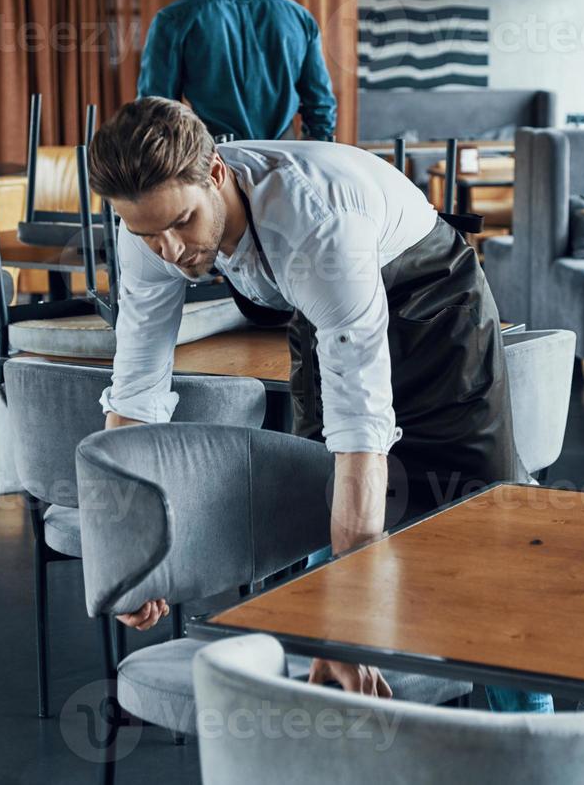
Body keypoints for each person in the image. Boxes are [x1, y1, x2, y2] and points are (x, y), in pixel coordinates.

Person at [87, 96, 550, 713]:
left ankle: (530, 739)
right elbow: (137, 389)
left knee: (484, 533)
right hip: (321, 307)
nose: (169, 250)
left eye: (182, 223)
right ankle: (338, 724)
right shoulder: (147, 232)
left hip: (436, 308)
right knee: (318, 498)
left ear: (216, 173)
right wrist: (131, 551)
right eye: (148, 234)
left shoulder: (313, 223)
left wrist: (349, 625)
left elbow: (362, 429)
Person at [137, 0, 338, 142]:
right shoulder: (297, 15)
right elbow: (321, 106)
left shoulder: (173, 19)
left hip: (215, 167)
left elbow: (155, 114)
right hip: (286, 162)